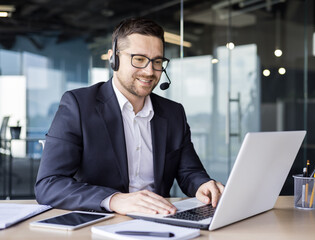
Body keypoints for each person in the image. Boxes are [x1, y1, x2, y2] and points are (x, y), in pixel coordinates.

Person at [35, 17, 224, 215]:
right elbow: (49, 184)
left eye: (157, 61)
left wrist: (202, 185)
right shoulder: (79, 105)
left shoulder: (173, 113)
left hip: (162, 221)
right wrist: (114, 200)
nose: (149, 71)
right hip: (102, 220)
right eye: (139, 59)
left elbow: (189, 171)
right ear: (113, 58)